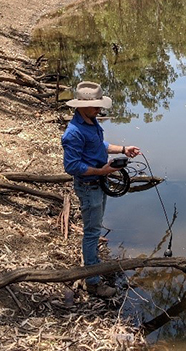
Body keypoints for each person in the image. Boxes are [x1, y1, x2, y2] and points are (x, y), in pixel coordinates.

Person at [61, 81, 140, 298]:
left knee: (94, 230)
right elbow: (71, 166)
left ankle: (94, 265)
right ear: (81, 106)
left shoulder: (91, 122)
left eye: (99, 106)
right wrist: (101, 171)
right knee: (92, 233)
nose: (99, 110)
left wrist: (123, 149)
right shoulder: (73, 133)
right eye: (96, 106)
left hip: (98, 184)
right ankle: (93, 282)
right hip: (89, 187)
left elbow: (100, 146)